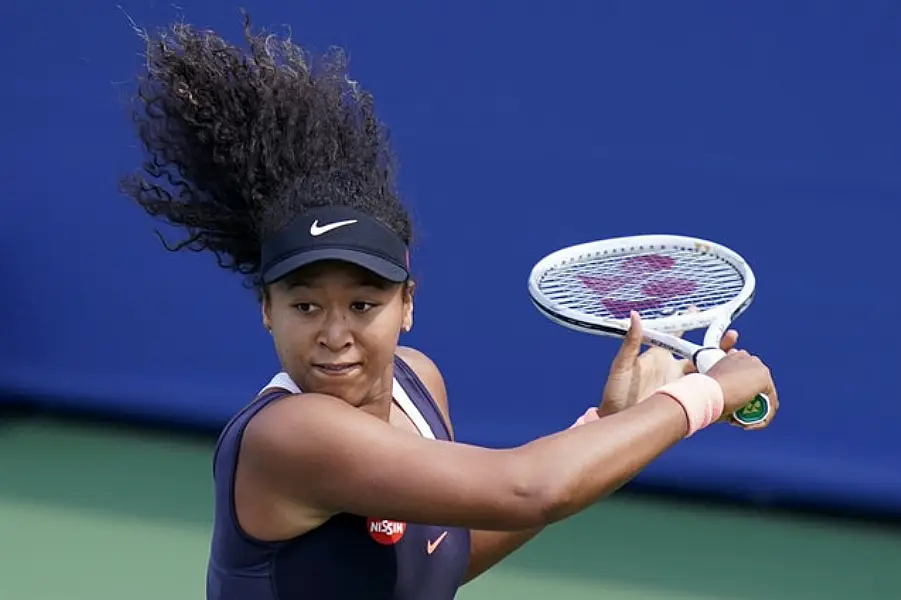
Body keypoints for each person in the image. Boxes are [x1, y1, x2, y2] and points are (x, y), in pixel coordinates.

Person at [120, 16, 779, 600]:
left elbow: (443, 557)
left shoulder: (417, 380)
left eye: (362, 302)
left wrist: (606, 424)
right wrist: (706, 397)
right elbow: (530, 488)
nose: (334, 334)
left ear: (406, 305)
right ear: (266, 310)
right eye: (304, 305)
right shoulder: (290, 436)